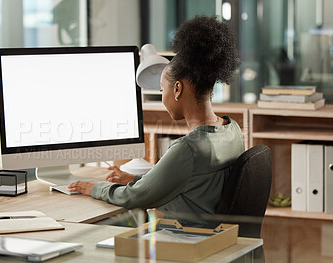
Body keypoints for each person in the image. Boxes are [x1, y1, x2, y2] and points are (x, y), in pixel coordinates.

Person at [68, 15, 244, 227]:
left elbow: (133, 198)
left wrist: (93, 188)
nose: (162, 97)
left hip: (185, 242)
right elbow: (189, 184)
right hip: (212, 241)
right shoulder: (232, 129)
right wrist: (135, 181)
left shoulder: (189, 149)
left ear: (177, 89)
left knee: (100, 230)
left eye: (162, 89)